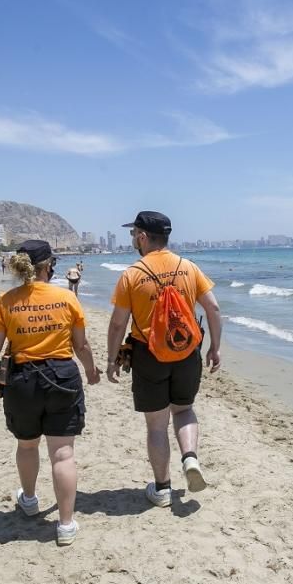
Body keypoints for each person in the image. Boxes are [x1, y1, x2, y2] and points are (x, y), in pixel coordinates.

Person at [0, 239, 101, 546]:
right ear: (48, 266)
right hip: (62, 377)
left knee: (27, 446)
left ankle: (28, 499)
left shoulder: (7, 300)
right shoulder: (66, 298)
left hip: (23, 380)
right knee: (63, 453)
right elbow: (81, 345)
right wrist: (91, 372)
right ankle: (65, 525)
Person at [105, 211, 222, 508]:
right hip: (186, 352)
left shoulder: (132, 274)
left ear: (144, 237)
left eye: (134, 234)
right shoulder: (189, 267)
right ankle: (190, 458)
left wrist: (111, 358)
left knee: (156, 425)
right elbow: (213, 309)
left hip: (148, 354)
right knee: (184, 411)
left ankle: (162, 489)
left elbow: (118, 323)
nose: (132, 239)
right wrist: (215, 348)